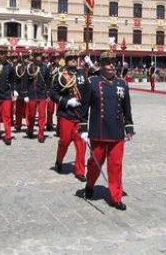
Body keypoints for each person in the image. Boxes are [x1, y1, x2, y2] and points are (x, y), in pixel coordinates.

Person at [82, 50, 134, 211]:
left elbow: (126, 107)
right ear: (102, 65)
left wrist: (129, 126)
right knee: (95, 164)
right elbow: (84, 107)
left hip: (117, 131)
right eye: (107, 63)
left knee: (116, 165)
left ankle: (115, 197)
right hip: (99, 131)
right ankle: (90, 184)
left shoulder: (122, 84)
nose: (111, 65)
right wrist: (83, 127)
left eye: (113, 62)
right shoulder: (92, 82)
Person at [49, 49, 91, 182]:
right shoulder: (60, 74)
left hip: (79, 115)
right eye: (71, 58)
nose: (74, 59)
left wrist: (85, 116)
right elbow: (53, 93)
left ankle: (80, 171)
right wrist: (67, 101)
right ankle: (59, 160)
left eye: (75, 57)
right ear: (66, 60)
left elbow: (87, 94)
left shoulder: (82, 74)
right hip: (66, 114)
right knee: (64, 141)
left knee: (81, 144)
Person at [23, 49, 50, 143]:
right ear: (34, 57)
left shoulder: (45, 67)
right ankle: (30, 129)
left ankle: (41, 134)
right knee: (31, 114)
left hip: (42, 94)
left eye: (39, 55)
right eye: (36, 55)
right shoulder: (29, 67)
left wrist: (48, 93)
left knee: (42, 115)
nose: (38, 57)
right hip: (31, 93)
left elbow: (48, 81)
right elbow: (25, 81)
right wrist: (25, 94)